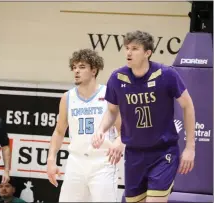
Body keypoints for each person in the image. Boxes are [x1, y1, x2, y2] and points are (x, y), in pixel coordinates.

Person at [92, 30, 196, 203]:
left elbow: (188, 106)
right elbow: (111, 111)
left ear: (147, 53)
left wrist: (190, 147)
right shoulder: (117, 77)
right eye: (127, 48)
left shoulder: (166, 74)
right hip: (134, 154)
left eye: (134, 48)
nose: (129, 52)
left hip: (163, 152)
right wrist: (101, 129)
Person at [47, 48, 124, 202]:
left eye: (82, 67)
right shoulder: (67, 97)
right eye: (74, 67)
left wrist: (119, 142)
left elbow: (124, 130)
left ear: (94, 70)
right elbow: (59, 131)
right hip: (76, 162)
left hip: (103, 162)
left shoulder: (109, 94)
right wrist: (51, 159)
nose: (76, 71)